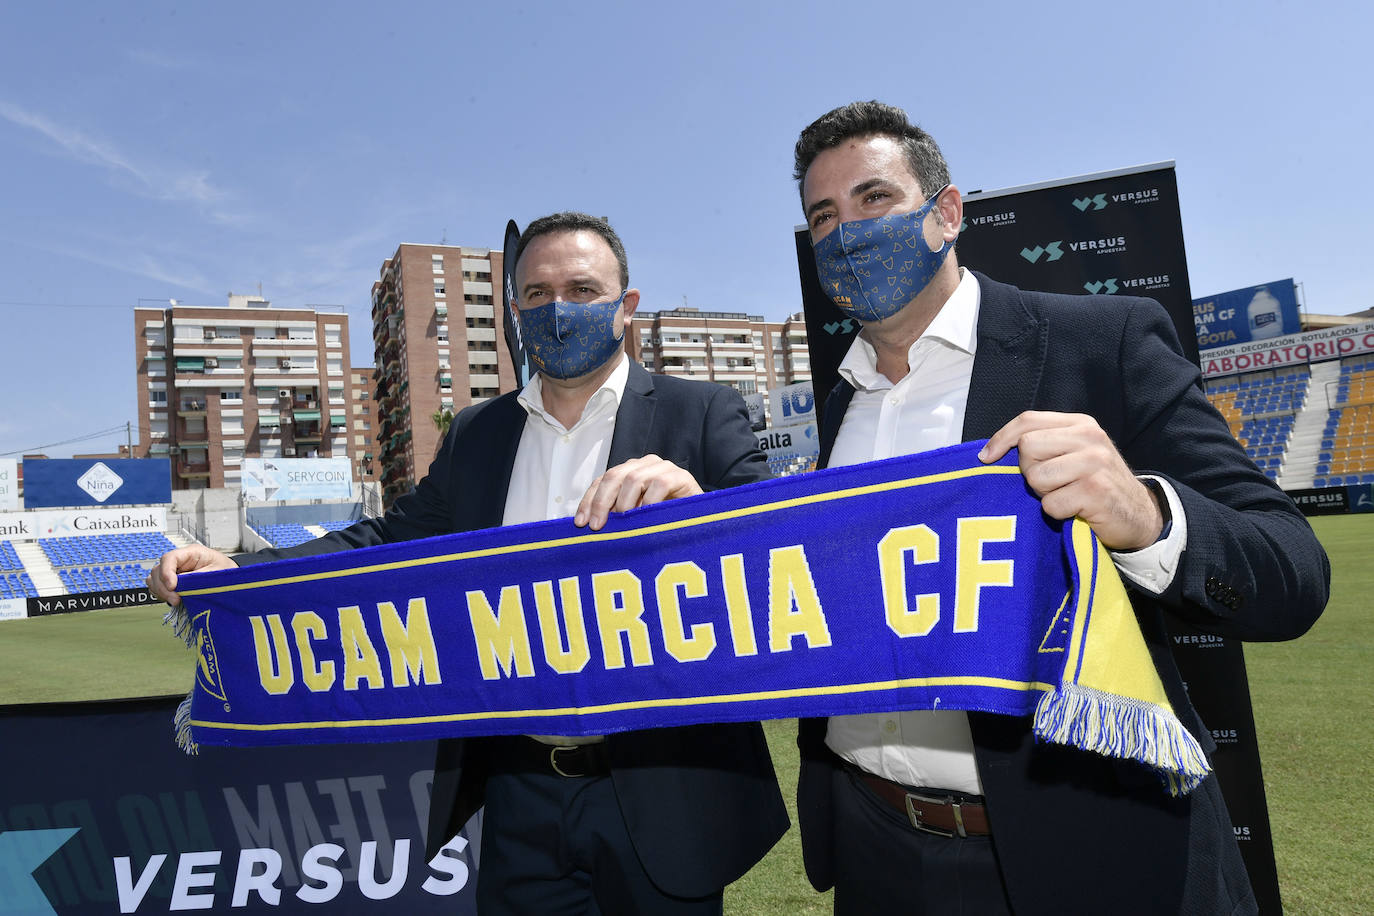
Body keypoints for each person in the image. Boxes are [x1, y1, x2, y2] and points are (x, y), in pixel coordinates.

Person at [148, 211, 788, 914]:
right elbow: (387, 541)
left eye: (582, 289)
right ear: (514, 310)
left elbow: (780, 552)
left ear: (625, 309)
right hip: (518, 789)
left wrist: (696, 504)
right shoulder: (479, 433)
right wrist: (243, 574)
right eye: (537, 294)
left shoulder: (700, 412)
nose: (559, 309)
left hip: (665, 791)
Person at [791, 101, 1330, 915]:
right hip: (876, 850)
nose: (847, 233)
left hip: (1085, 855)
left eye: (874, 199)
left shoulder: (1100, 341)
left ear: (946, 213)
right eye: (822, 215)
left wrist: (1148, 516)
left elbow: (1293, 568)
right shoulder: (841, 409)